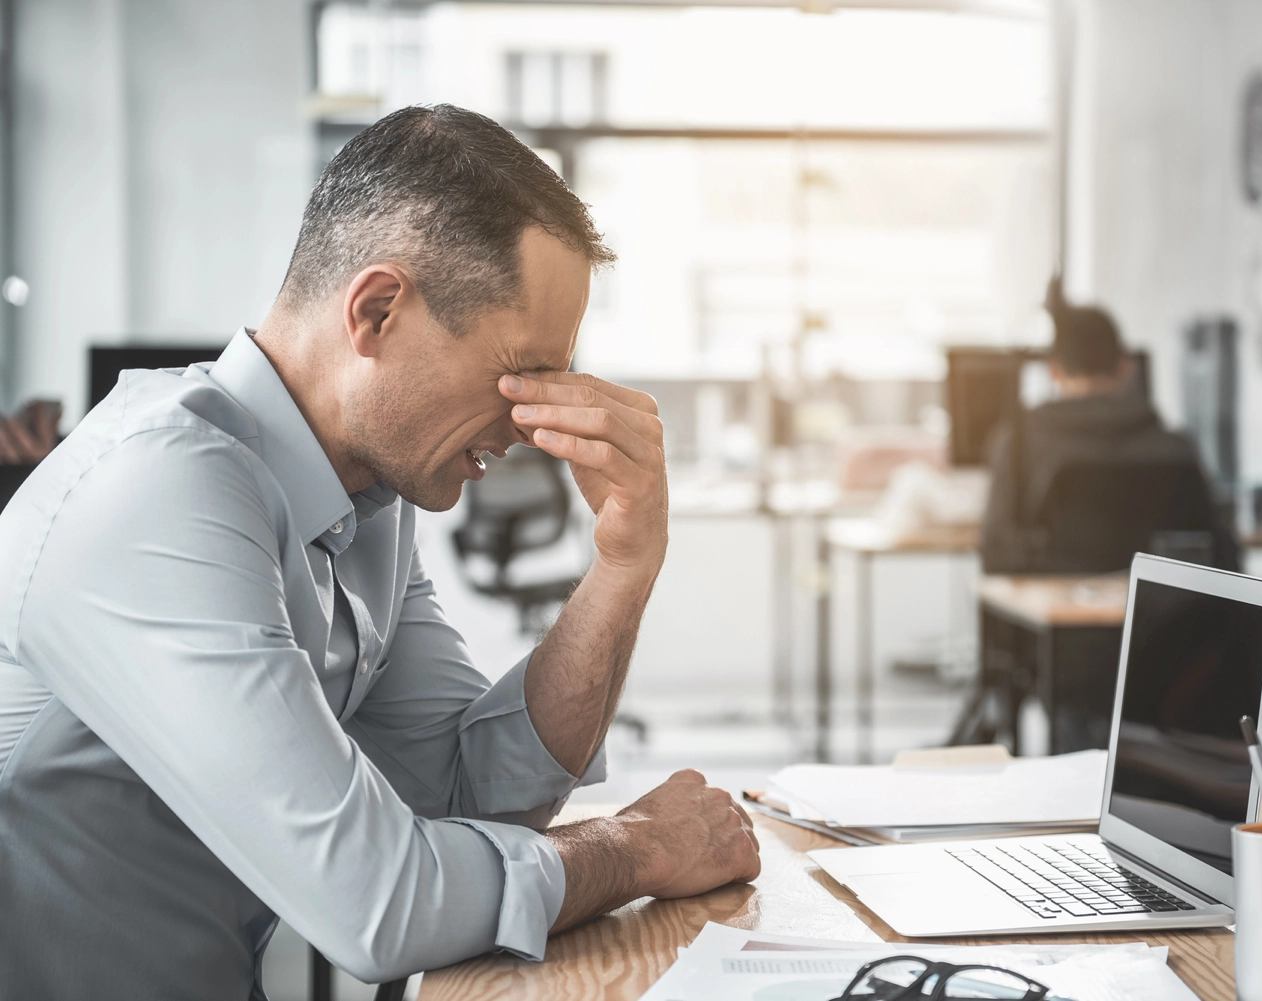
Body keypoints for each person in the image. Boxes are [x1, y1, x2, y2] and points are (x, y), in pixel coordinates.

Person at [0, 105, 759, 998]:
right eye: (518, 371)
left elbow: (475, 796)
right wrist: (637, 848)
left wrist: (625, 567)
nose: (531, 424)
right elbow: (383, 903)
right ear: (378, 309)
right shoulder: (158, 493)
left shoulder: (367, 501)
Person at [980, 285, 1230, 573]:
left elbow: (995, 556)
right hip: (1156, 615)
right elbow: (1221, 555)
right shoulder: (1177, 448)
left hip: (1053, 613)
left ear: (1054, 370)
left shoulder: (1018, 445)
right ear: (1125, 367)